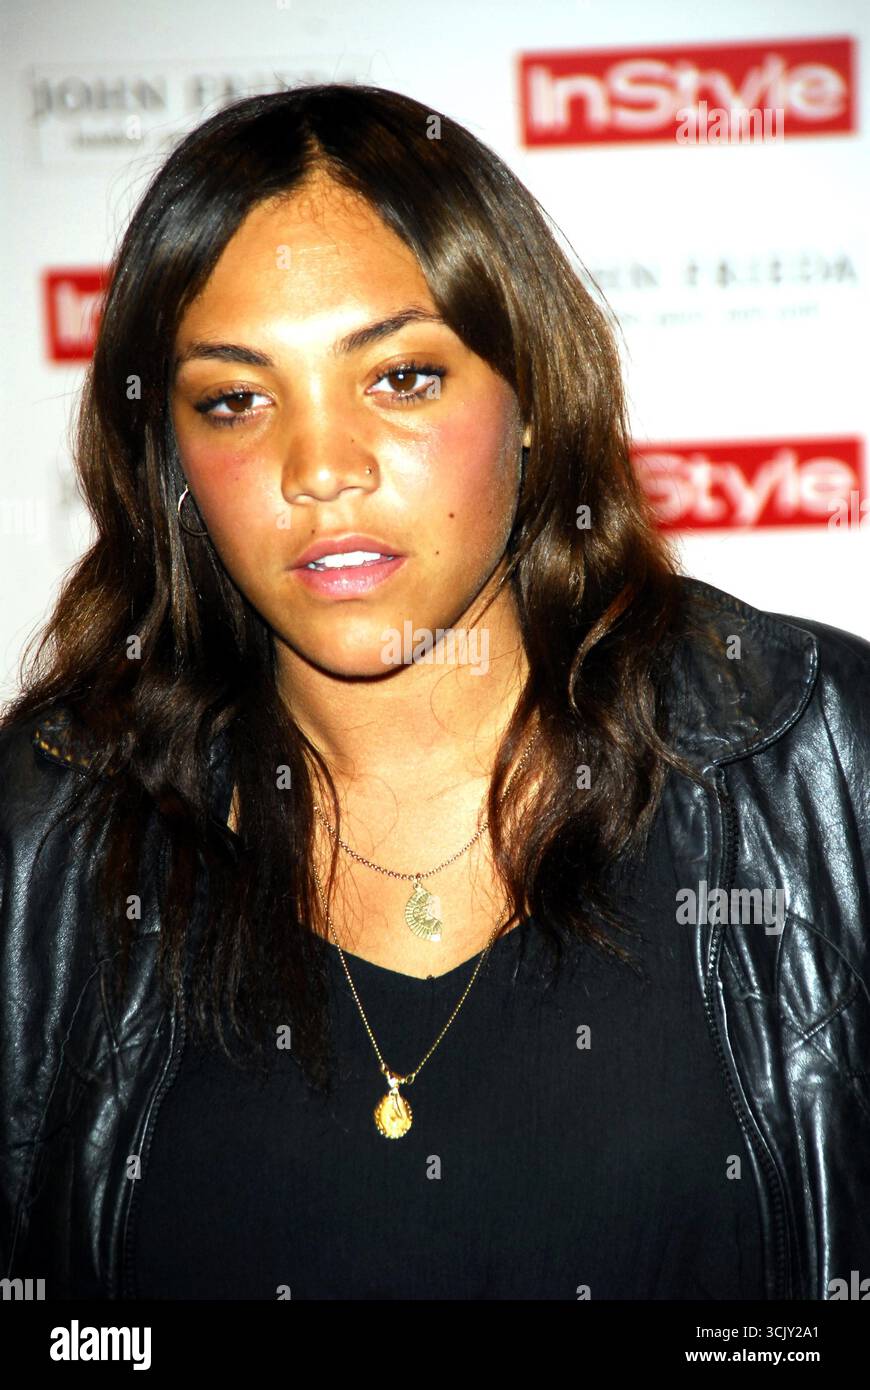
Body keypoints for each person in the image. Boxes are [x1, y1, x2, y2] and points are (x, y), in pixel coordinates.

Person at [1, 83, 868, 1302]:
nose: (320, 470)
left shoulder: (819, 759)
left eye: (400, 377)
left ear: (531, 397)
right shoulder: (45, 829)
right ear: (170, 457)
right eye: (236, 399)